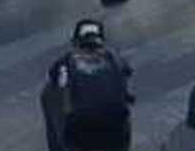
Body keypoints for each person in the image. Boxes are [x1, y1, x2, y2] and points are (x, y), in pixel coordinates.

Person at [42, 20, 133, 151]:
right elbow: (128, 84)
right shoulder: (114, 58)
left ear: (76, 42)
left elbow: (51, 87)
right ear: (101, 41)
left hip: (78, 128)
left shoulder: (66, 60)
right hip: (115, 127)